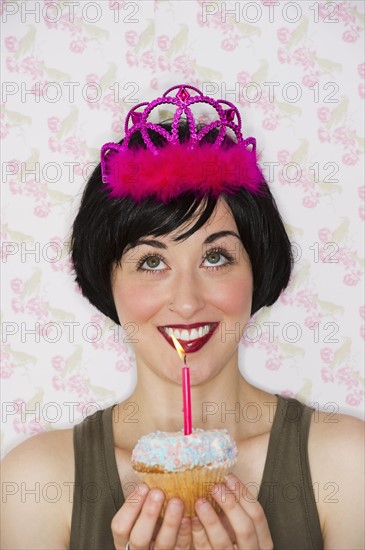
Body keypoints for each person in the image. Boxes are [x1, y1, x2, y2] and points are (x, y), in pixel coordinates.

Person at [1, 84, 364, 550]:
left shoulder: (349, 464)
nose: (188, 302)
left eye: (216, 258)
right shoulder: (36, 483)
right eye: (151, 262)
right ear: (106, 283)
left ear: (258, 268)